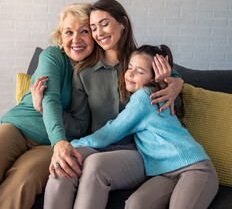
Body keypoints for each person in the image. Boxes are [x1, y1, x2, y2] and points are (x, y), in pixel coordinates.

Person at [31, 0, 184, 209]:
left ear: (123, 23)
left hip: (139, 151)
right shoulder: (83, 72)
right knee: (63, 164)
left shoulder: (143, 61)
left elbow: (175, 105)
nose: (99, 32)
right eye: (93, 28)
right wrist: (41, 108)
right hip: (98, 146)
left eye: (104, 24)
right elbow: (79, 124)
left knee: (95, 166)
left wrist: (174, 83)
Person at [0, 2, 100, 209]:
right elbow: (50, 99)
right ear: (60, 37)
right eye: (69, 32)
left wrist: (45, 114)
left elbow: (80, 125)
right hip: (20, 128)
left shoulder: (96, 72)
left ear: (94, 35)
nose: (76, 39)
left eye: (84, 31)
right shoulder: (52, 56)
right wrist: (58, 137)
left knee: (23, 181)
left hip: (50, 144)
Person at [71, 44, 219, 209]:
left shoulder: (145, 96)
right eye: (129, 67)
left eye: (140, 72)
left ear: (154, 79)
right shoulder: (150, 94)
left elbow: (111, 132)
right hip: (164, 172)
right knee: (136, 203)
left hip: (195, 168)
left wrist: (71, 146)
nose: (130, 74)